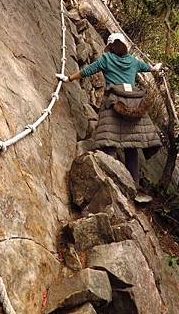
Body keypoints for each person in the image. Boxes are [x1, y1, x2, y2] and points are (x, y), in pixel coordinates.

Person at [57, 32, 163, 201]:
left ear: (110, 46)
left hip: (114, 102)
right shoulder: (133, 61)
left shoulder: (106, 59)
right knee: (132, 145)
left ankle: (110, 182)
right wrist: (155, 68)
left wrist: (68, 78)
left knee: (109, 141)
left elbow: (88, 71)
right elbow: (148, 68)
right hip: (134, 104)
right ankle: (133, 186)